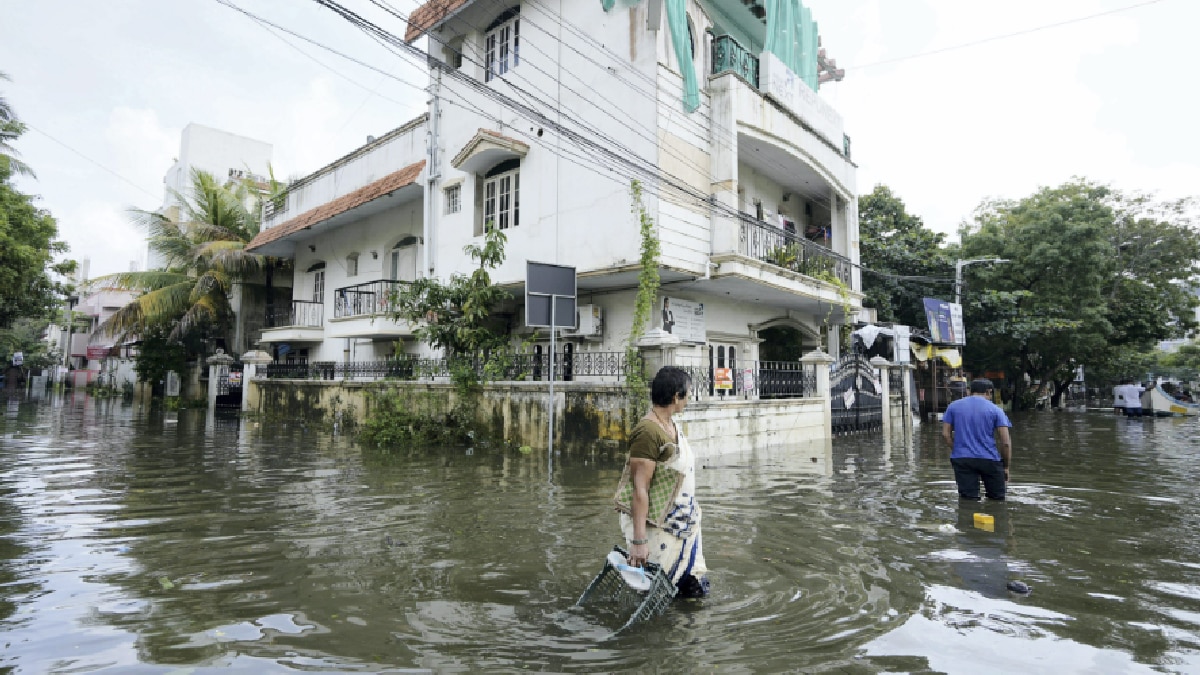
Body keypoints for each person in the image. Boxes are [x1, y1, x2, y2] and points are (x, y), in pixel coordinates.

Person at [620, 366, 709, 598]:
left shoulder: (670, 424)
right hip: (659, 527)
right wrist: (639, 541)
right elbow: (640, 488)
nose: (690, 398)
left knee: (693, 590)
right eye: (688, 394)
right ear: (675, 397)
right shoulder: (648, 432)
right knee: (657, 594)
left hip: (683, 524)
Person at [942, 378, 1013, 501]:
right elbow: (1005, 443)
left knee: (968, 500)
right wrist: (1005, 467)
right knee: (997, 500)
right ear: (989, 392)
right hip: (990, 459)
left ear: (969, 391)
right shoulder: (996, 410)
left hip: (962, 459)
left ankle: (968, 518)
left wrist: (957, 449)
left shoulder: (953, 407)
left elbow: (945, 434)